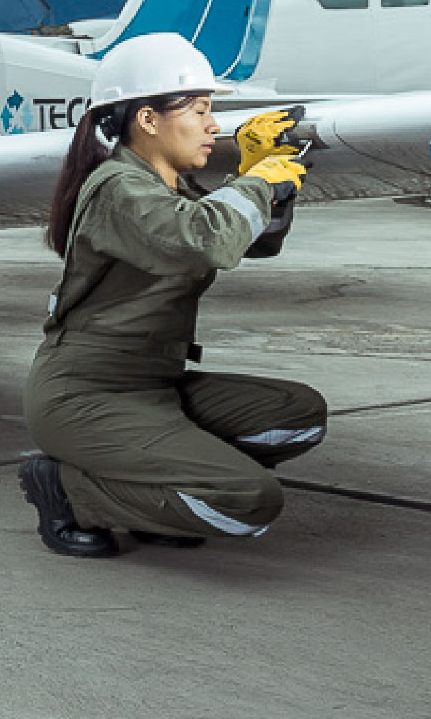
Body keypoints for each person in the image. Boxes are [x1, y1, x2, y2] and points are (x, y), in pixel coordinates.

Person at [17, 32, 319, 558]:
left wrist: (253, 176)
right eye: (200, 110)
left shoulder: (167, 191)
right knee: (250, 500)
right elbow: (206, 240)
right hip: (87, 393)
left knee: (296, 414)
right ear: (148, 120)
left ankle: (153, 498)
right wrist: (259, 184)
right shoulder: (119, 187)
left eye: (212, 111)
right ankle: (69, 491)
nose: (213, 125)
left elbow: (255, 241)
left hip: (154, 381)